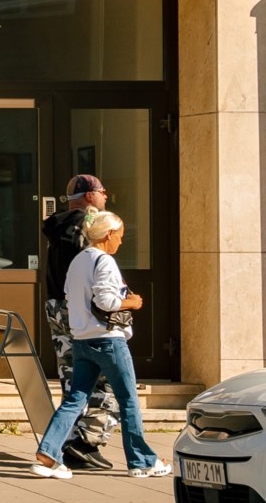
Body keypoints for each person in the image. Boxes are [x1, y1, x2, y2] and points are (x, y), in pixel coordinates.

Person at [31, 209, 168, 481]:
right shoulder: (104, 261)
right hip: (108, 340)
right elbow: (106, 302)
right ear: (108, 235)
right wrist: (132, 302)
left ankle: (48, 453)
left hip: (81, 340)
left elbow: (71, 297)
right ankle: (141, 461)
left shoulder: (79, 260)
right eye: (120, 236)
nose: (121, 241)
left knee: (74, 400)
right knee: (128, 400)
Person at [40, 174, 114, 470]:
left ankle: (68, 442)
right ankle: (86, 441)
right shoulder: (86, 227)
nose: (106, 197)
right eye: (103, 193)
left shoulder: (59, 226)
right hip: (79, 311)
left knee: (72, 377)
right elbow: (91, 273)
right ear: (89, 196)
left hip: (57, 307)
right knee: (106, 378)